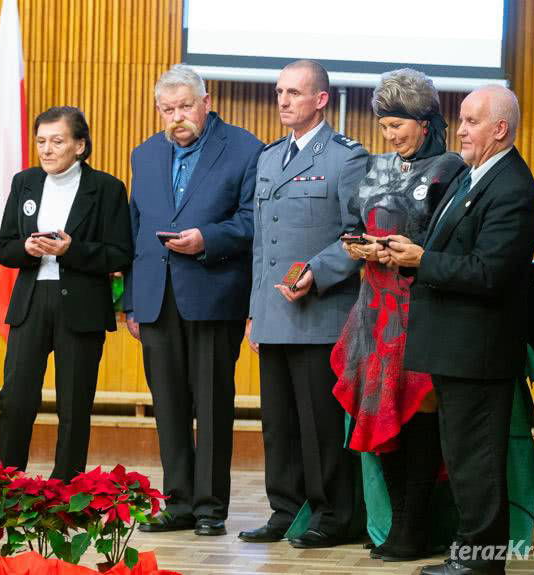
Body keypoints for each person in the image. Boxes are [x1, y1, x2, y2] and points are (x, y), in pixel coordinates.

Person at [381, 85, 534, 575]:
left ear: (500, 129)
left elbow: (490, 273)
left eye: (472, 121)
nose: (462, 129)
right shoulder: (470, 176)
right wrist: (405, 252)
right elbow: (445, 247)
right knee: (464, 455)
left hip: (479, 349)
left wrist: (422, 259)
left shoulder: (511, 185)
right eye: (462, 120)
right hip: (455, 347)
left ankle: (478, 562)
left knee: (475, 460)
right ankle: (469, 554)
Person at [329, 68, 467, 561]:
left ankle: (416, 527)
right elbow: (352, 222)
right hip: (375, 312)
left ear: (426, 122)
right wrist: (356, 246)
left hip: (422, 309)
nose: (390, 136)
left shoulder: (452, 168)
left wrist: (406, 253)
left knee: (418, 418)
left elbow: (452, 241)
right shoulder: (376, 167)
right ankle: (400, 527)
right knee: (382, 417)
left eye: (398, 126)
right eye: (385, 127)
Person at [124, 65, 263, 536]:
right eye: (168, 109)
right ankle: (178, 502)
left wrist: (207, 239)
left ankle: (209, 508)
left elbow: (252, 222)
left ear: (207, 101)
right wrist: (131, 302)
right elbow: (136, 230)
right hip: (156, 301)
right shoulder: (143, 155)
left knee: (212, 405)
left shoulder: (245, 149)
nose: (177, 117)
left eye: (185, 106)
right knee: (168, 407)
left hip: (214, 295)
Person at [240, 60, 369, 548]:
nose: (283, 101)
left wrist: (318, 273)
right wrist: (255, 312)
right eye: (279, 92)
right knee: (278, 423)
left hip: (321, 314)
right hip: (275, 315)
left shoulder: (346, 158)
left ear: (321, 100)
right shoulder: (269, 159)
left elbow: (356, 236)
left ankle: (333, 515)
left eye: (294, 92)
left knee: (319, 423)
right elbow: (262, 245)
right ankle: (285, 510)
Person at [0, 106, 132, 478]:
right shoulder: (25, 182)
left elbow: (120, 253)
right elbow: (5, 248)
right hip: (30, 302)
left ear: (80, 145)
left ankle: (66, 485)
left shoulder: (106, 188)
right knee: (16, 397)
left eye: (57, 141)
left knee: (73, 404)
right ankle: (6, 481)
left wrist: (72, 250)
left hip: (82, 305)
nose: (47, 150)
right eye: (41, 141)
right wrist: (27, 248)